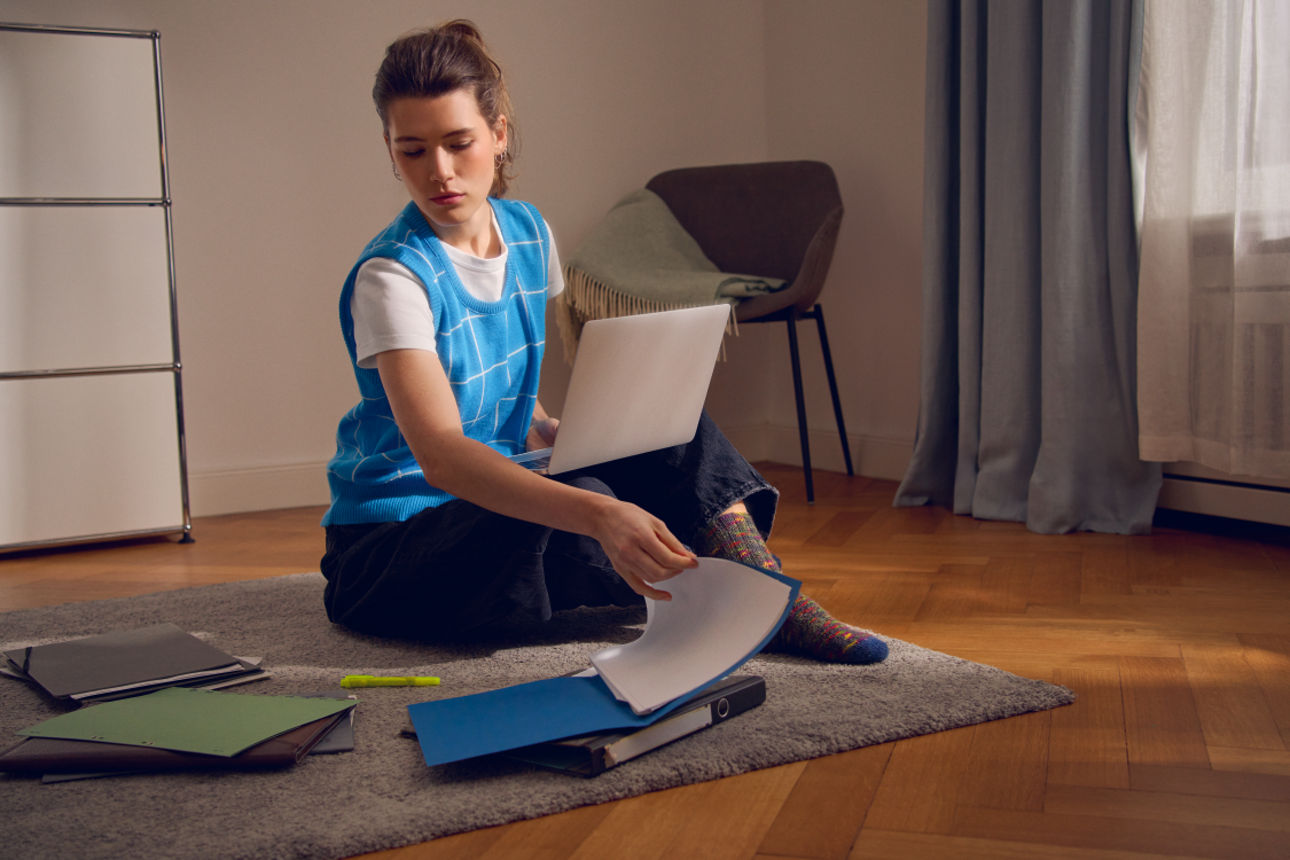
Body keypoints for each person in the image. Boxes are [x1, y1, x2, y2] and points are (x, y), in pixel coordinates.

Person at [319, 20, 887, 664]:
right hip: (394, 547)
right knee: (597, 511)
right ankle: (726, 593)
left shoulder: (529, 233)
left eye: (459, 142)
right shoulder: (392, 277)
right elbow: (445, 457)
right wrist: (597, 513)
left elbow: (504, 401)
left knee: (669, 433)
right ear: (390, 150)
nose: (439, 172)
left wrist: (560, 429)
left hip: (488, 497)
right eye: (412, 150)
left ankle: (768, 597)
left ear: (498, 134)